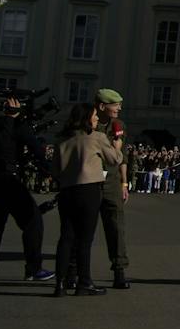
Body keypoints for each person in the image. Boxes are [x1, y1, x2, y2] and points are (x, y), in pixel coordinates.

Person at [52, 102, 124, 296]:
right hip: (89, 190)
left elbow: (55, 170)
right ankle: (84, 282)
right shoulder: (96, 137)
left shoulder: (62, 139)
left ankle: (60, 282)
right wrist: (118, 145)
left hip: (67, 190)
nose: (96, 120)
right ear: (86, 119)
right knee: (85, 239)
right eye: (93, 117)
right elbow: (115, 160)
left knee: (66, 236)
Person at [0, 93, 53, 283]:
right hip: (9, 180)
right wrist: (49, 169)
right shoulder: (15, 126)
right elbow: (35, 147)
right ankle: (33, 268)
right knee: (33, 221)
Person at [93, 89, 132, 289]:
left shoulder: (119, 126)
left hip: (112, 181)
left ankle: (119, 270)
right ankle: (73, 270)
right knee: (84, 227)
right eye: (115, 104)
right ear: (102, 106)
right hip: (90, 180)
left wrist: (124, 183)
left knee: (116, 226)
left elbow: (123, 157)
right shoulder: (88, 124)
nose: (119, 108)